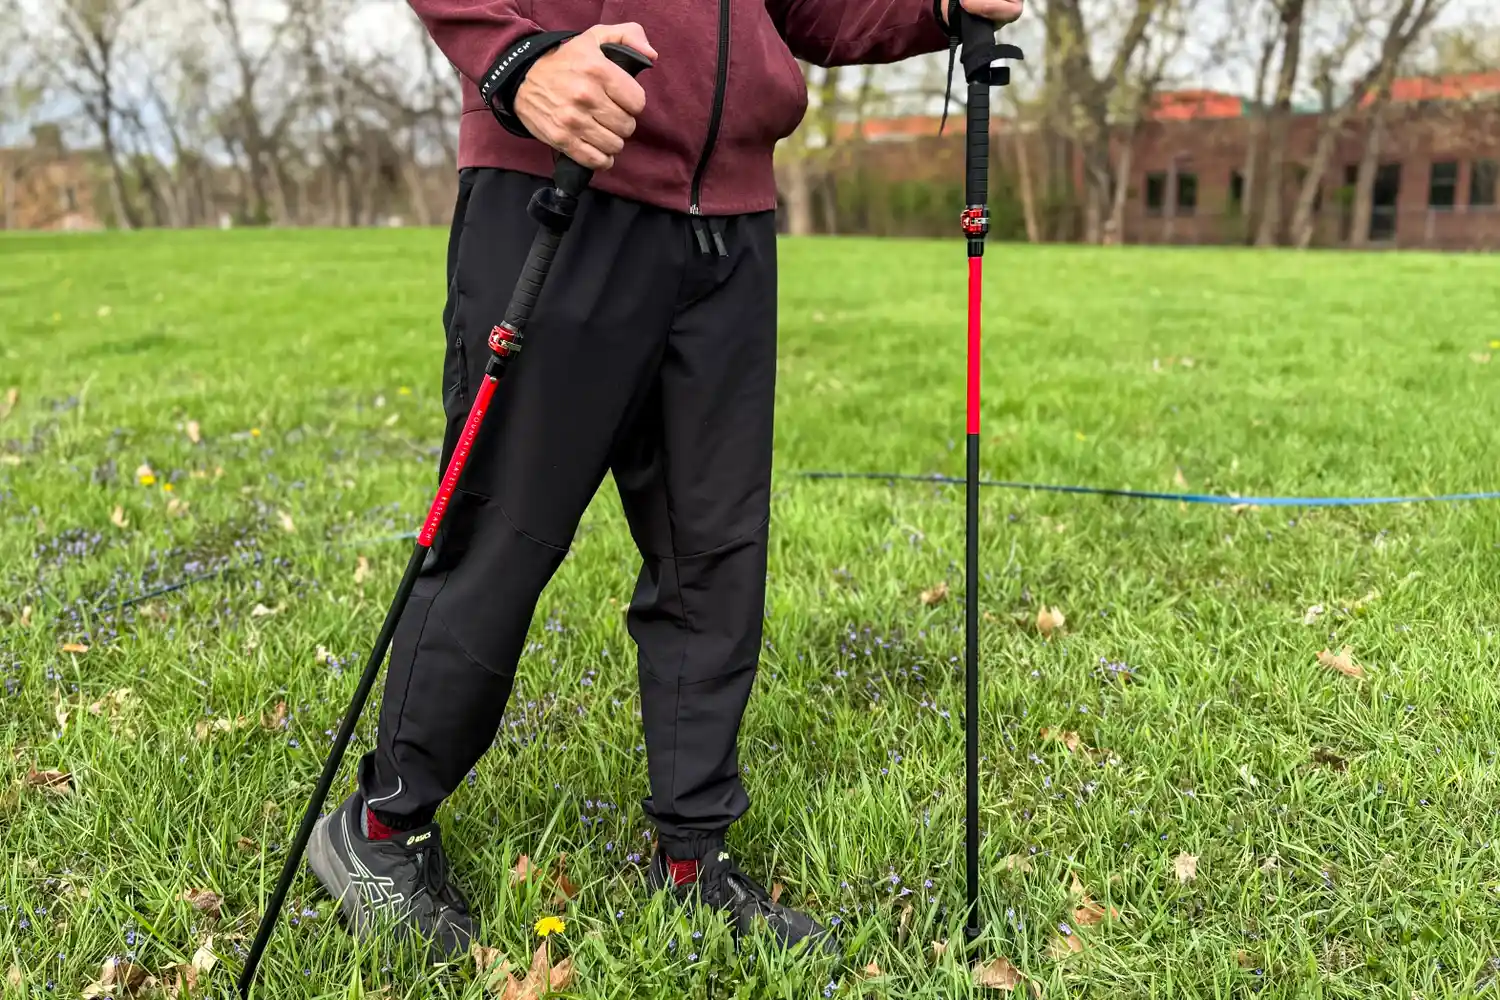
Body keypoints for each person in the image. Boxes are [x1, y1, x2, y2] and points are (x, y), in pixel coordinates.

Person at [308, 0, 1023, 958]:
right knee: (500, 532)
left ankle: (692, 861)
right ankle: (382, 828)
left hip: (729, 224)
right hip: (563, 174)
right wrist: (516, 61)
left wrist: (936, 6)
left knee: (715, 551)